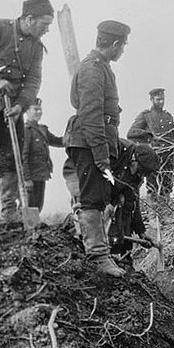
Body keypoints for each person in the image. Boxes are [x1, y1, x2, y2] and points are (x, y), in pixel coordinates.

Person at [0, 0, 53, 226]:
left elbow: (33, 80)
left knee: (9, 159)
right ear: (29, 18)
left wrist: (20, 106)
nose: (47, 30)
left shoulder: (36, 48)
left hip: (12, 110)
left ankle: (9, 211)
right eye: (45, 24)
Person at [64, 20, 131, 278]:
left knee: (98, 195)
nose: (123, 50)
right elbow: (91, 115)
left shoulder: (102, 68)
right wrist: (102, 157)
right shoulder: (93, 70)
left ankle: (98, 250)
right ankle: (97, 256)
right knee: (92, 197)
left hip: (94, 139)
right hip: (89, 141)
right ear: (114, 44)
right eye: (123, 45)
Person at [106, 140, 160, 258]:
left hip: (114, 195)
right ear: (134, 160)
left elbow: (134, 204)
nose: (141, 176)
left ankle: (124, 254)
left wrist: (141, 232)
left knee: (126, 203)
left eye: (144, 174)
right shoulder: (117, 153)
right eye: (141, 171)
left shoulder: (135, 177)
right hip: (93, 190)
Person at [128, 88, 174, 204]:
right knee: (152, 184)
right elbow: (131, 133)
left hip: (169, 155)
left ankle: (166, 212)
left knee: (167, 184)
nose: (161, 102)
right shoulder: (145, 115)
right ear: (151, 99)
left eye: (162, 99)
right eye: (158, 100)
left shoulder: (168, 116)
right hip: (154, 155)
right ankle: (153, 214)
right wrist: (150, 136)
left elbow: (173, 136)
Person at [20, 99, 62, 212]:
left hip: (41, 174)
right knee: (31, 206)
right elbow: (23, 156)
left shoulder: (42, 129)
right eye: (35, 109)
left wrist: (71, 136)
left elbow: (58, 141)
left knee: (38, 205)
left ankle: (34, 227)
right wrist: (27, 178)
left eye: (40, 110)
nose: (39, 112)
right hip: (32, 176)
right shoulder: (26, 130)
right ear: (27, 111)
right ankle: (29, 228)